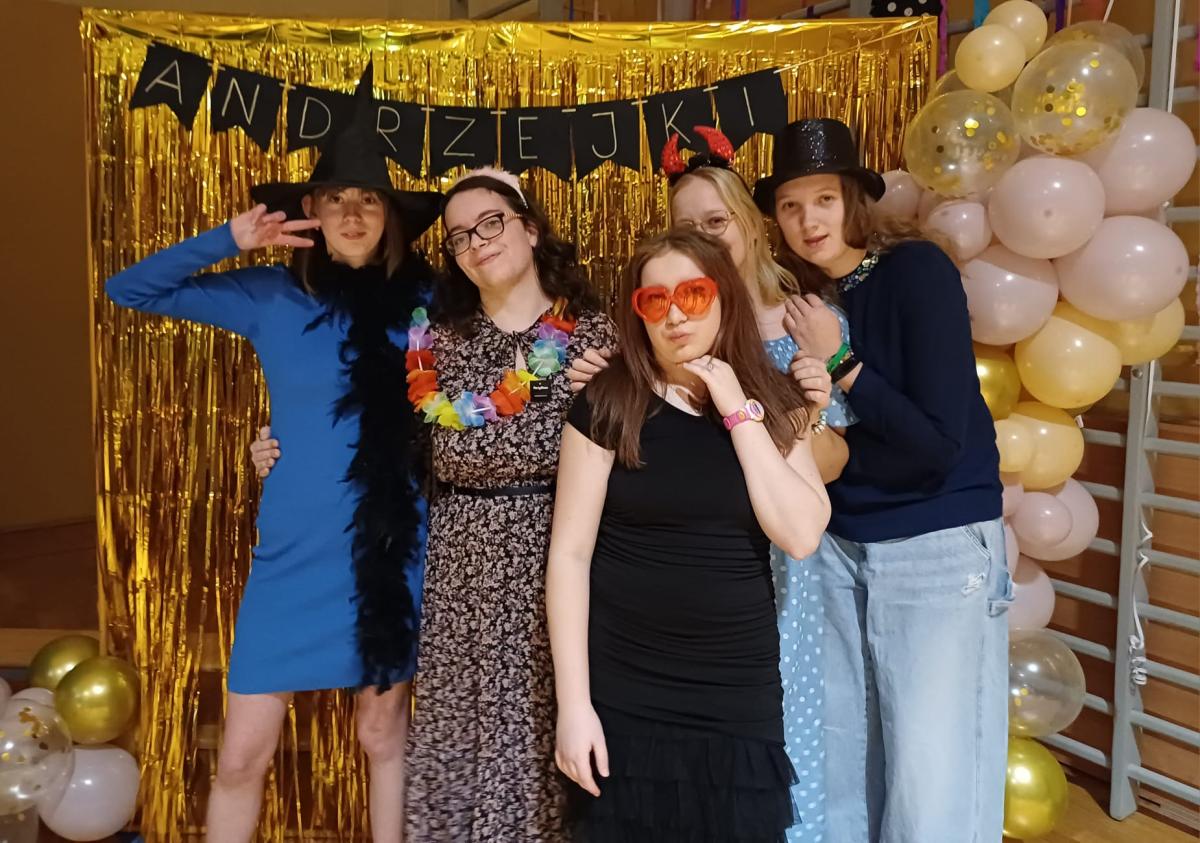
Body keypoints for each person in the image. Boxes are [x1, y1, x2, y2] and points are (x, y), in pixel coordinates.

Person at [106, 65, 440, 843]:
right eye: (336, 198)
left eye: (369, 199)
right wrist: (230, 239)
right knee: (240, 757)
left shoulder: (430, 304)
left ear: (390, 216)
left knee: (382, 736)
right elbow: (130, 289)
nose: (352, 213)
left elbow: (489, 382)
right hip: (291, 556)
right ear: (310, 212)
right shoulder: (268, 294)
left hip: (393, 551)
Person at [568, 126, 849, 841]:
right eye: (653, 301)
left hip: (734, 690)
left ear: (722, 297)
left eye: (693, 294)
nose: (674, 314)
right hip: (626, 683)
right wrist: (574, 706)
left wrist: (736, 403)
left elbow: (800, 533)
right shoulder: (608, 402)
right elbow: (569, 556)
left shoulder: (774, 400)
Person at [753, 118, 1011, 843]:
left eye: (824, 200)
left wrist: (841, 363)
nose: (808, 220)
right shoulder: (800, 299)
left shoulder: (915, 272)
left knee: (932, 777)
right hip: (842, 545)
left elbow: (936, 444)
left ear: (854, 199)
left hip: (935, 538)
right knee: (847, 762)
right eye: (791, 206)